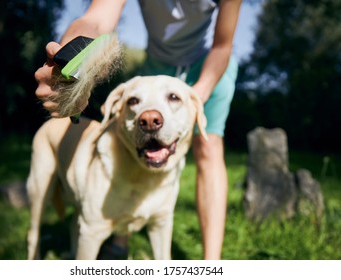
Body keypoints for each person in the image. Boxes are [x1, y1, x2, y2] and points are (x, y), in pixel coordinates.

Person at [35, 0, 241, 260]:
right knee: (135, 142)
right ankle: (120, 242)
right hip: (158, 64)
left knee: (209, 149)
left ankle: (212, 264)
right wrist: (68, 64)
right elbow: (97, 19)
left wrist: (191, 100)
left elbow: (222, 45)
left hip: (208, 62)